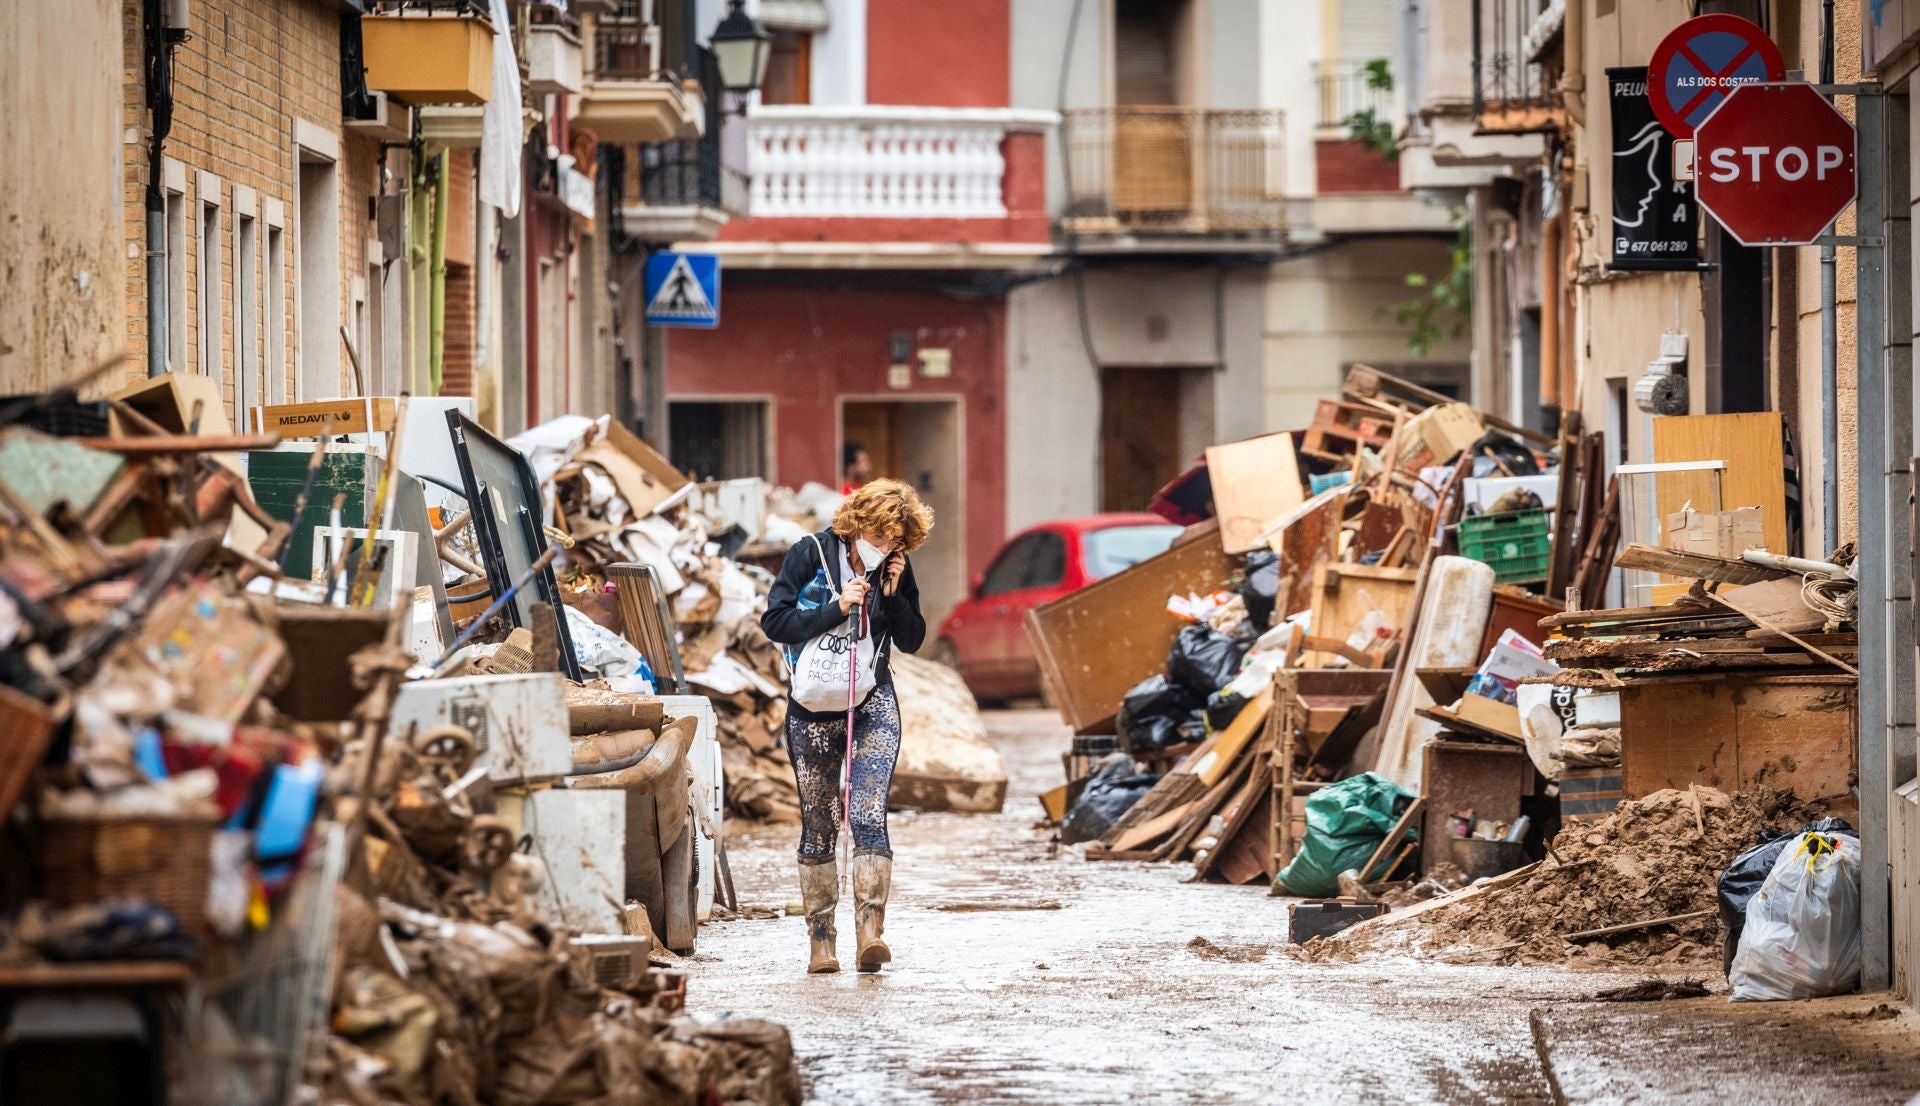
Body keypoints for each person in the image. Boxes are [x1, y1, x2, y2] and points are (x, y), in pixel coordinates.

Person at [761, 479, 931, 973]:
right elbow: (775, 622)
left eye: (896, 542)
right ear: (858, 524)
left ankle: (870, 932)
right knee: (819, 823)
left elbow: (913, 639)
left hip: (873, 700)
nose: (885, 548)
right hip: (813, 709)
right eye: (880, 537)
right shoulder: (808, 553)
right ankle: (821, 940)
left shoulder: (894, 570)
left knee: (868, 814)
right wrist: (835, 608)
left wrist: (895, 596)